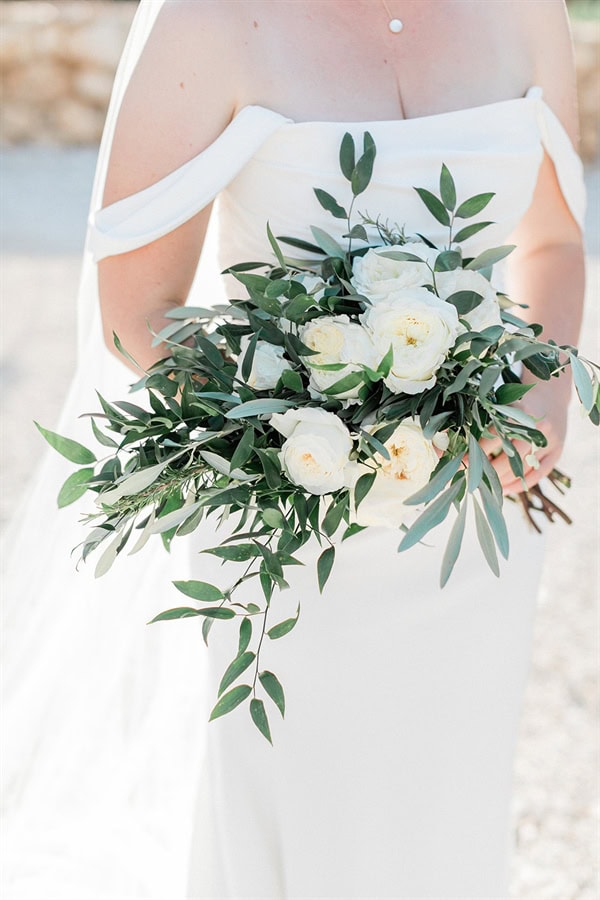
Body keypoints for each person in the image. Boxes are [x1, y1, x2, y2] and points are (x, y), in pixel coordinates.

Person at [1, 1, 586, 898]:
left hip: (469, 524)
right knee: (291, 806)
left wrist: (540, 397)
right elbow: (137, 315)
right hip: (290, 526)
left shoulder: (525, 11)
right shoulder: (212, 20)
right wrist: (307, 420)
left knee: (446, 801)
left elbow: (550, 240)